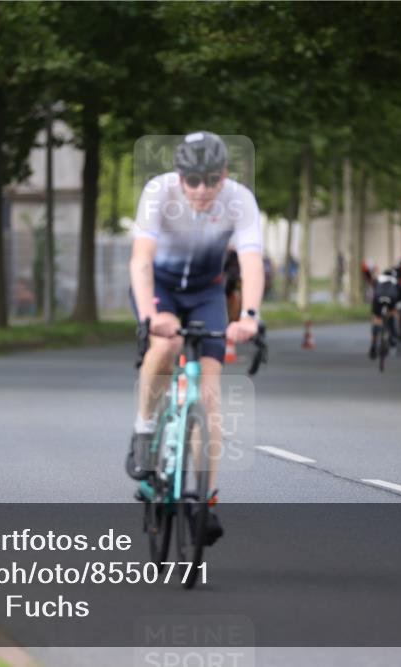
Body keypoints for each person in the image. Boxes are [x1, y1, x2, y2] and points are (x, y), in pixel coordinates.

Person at [126, 131, 264, 546]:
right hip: (161, 288)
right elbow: (141, 260)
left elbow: (251, 262)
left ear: (225, 175)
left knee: (209, 394)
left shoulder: (240, 199)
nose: (203, 191)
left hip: (207, 292)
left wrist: (251, 317)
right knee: (165, 346)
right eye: (193, 181)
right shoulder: (158, 192)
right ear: (179, 176)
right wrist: (151, 316)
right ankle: (145, 427)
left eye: (212, 180)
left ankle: (205, 499)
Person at [369, 269, 401, 359]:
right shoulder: (395, 280)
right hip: (391, 299)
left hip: (378, 299)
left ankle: (373, 344)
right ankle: (393, 335)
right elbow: (400, 293)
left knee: (376, 318)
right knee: (393, 313)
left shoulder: (378, 279)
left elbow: (373, 290)